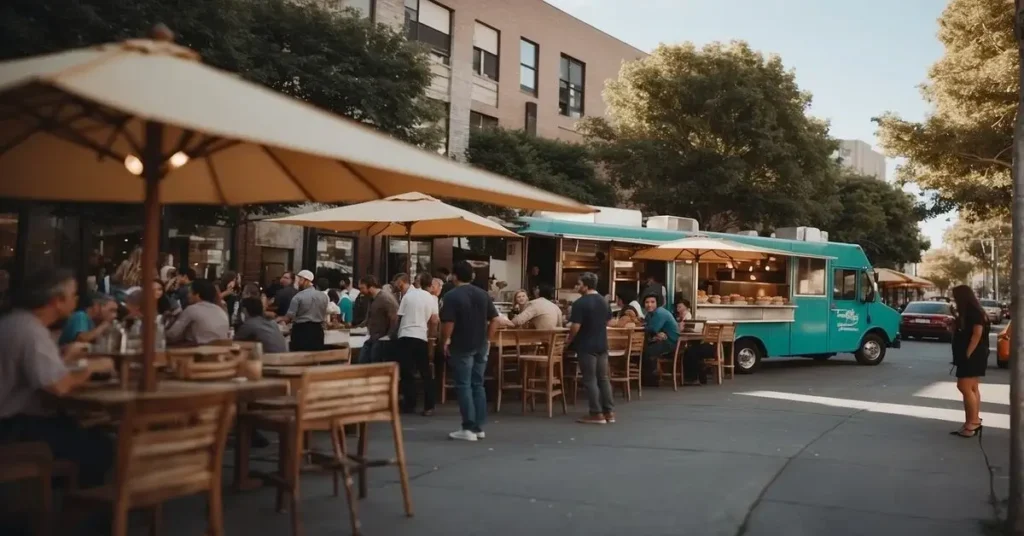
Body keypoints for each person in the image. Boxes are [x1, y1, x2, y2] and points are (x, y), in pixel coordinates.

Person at [0, 268, 115, 488]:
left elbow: (39, 369)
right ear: (57, 300)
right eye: (73, 295)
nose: (76, 300)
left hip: (15, 422)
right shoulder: (31, 331)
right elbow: (60, 386)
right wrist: (91, 367)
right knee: (101, 447)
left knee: (85, 431)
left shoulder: (17, 322)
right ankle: (77, 513)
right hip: (11, 430)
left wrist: (63, 354)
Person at [439, 261, 499, 441]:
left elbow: (448, 323)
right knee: (477, 384)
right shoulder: (483, 294)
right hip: (481, 343)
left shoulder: (451, 296)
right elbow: (495, 319)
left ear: (454, 276)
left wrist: (445, 341)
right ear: (472, 276)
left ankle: (468, 427)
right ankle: (479, 427)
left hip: (461, 343)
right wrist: (488, 339)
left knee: (464, 384)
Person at [567, 272, 615, 424]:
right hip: (602, 343)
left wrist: (569, 340)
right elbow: (610, 321)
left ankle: (596, 413)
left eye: (579, 284)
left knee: (590, 379)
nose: (577, 286)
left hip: (586, 345)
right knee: (603, 378)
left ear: (586, 286)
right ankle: (609, 412)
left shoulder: (580, 303)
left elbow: (575, 326)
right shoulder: (603, 301)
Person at [395, 272, 440, 415]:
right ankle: (429, 406)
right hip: (421, 336)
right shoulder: (432, 298)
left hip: (405, 335)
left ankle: (410, 404)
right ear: (430, 285)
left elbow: (399, 317)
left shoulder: (407, 296)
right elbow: (434, 320)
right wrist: (431, 335)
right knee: (425, 372)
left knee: (407, 372)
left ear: (418, 282)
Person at [950, 284, 990, 438]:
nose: (954, 299)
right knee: (972, 387)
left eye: (955, 296)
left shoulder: (974, 312)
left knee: (964, 387)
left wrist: (967, 353)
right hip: (977, 354)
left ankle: (972, 423)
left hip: (973, 354)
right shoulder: (974, 311)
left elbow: (976, 334)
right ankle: (973, 421)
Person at [165, 279, 230, 346]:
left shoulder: (191, 309)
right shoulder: (221, 311)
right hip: (220, 352)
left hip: (199, 352)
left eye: (190, 292)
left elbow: (172, 335)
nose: (187, 295)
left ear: (197, 295)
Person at [281, 270, 328, 351]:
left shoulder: (298, 297)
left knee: (299, 359)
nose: (297, 283)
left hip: (301, 332)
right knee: (316, 358)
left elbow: (289, 317)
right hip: (318, 331)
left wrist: (277, 320)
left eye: (298, 280)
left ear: (305, 280)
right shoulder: (323, 297)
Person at [641, 293, 679, 385]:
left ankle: (652, 380)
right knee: (643, 349)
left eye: (652, 302)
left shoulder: (660, 312)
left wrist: (644, 327)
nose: (649, 304)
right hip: (662, 340)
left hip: (671, 342)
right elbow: (648, 327)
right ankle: (647, 379)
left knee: (647, 352)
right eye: (647, 302)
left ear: (657, 303)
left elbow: (652, 328)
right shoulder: (650, 314)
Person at [358, 275, 397, 364]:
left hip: (381, 338)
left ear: (371, 287)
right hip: (373, 337)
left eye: (362, 288)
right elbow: (369, 317)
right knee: (362, 361)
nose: (361, 291)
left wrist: (389, 336)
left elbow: (394, 318)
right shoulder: (372, 299)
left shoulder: (385, 298)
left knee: (374, 362)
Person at [499, 284, 563, 330]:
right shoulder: (555, 306)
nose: (534, 291)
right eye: (519, 297)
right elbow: (560, 326)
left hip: (540, 339)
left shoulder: (535, 304)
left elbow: (518, 321)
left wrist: (503, 324)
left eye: (536, 290)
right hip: (553, 341)